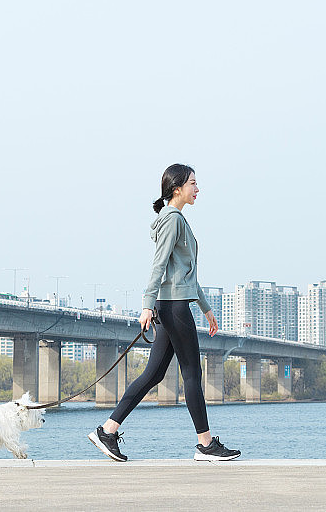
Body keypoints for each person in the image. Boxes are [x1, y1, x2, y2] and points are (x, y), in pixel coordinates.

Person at [88, 163, 241, 462]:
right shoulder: (172, 220)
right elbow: (158, 265)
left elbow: (185, 275)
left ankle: (107, 430)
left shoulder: (175, 219)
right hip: (173, 307)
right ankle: (205, 445)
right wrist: (147, 305)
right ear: (177, 188)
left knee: (155, 373)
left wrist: (206, 309)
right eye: (193, 183)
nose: (197, 189)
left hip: (172, 304)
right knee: (192, 373)